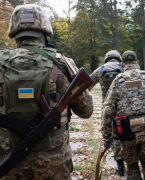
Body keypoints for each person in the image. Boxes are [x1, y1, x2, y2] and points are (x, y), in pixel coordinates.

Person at [0, 4, 93, 180]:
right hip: (54, 162)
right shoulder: (62, 64)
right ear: (45, 29)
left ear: (14, 30)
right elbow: (86, 111)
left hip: (8, 160)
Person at [101, 50, 145, 180]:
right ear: (137, 62)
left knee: (132, 165)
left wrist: (107, 135)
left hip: (126, 131)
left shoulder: (118, 81)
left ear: (123, 64)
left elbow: (107, 109)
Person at [88, 50, 124, 176]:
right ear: (119, 58)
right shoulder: (124, 68)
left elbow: (87, 86)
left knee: (112, 135)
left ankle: (119, 165)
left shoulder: (100, 69)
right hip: (123, 107)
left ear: (106, 59)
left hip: (108, 108)